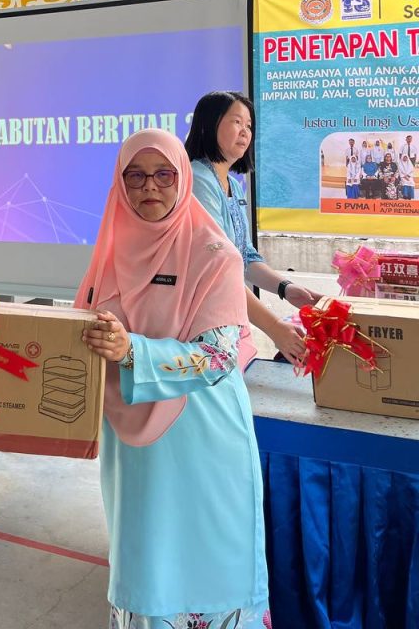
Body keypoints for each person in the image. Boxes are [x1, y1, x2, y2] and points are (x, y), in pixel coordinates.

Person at [77, 129, 270, 629]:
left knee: (209, 565)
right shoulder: (110, 254)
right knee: (145, 566)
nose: (149, 187)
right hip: (135, 448)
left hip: (202, 439)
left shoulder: (215, 255)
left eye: (164, 174)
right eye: (136, 176)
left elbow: (218, 357)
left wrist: (132, 351)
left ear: (182, 177)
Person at [185, 91, 321, 366]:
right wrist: (274, 328)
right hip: (201, 322)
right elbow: (219, 269)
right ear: (208, 125)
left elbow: (245, 257)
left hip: (227, 318)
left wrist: (286, 288)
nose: (245, 131)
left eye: (249, 125)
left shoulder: (233, 187)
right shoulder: (198, 180)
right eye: (237, 122)